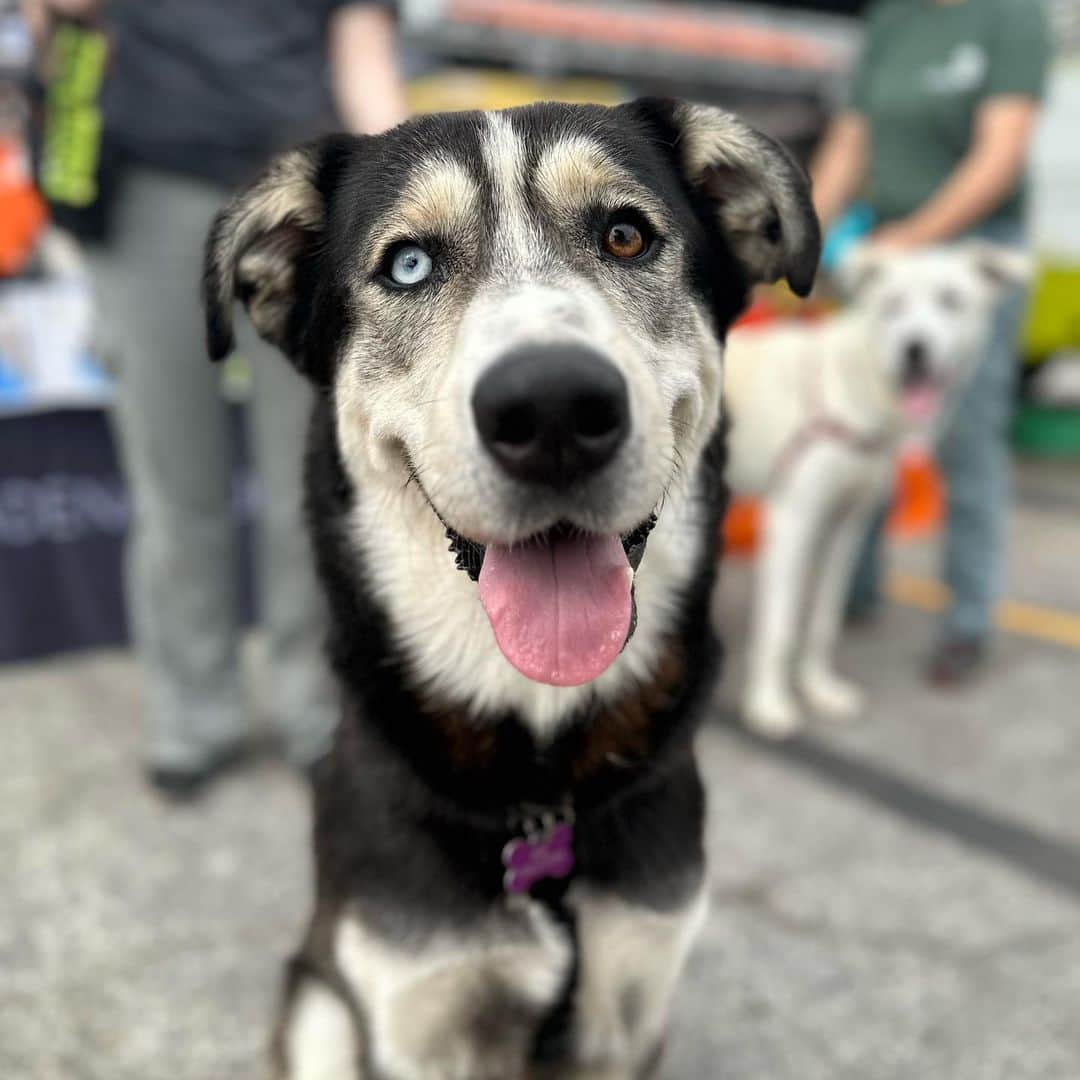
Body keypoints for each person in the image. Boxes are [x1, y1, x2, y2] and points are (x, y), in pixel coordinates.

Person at [27, 0, 408, 796]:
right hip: (144, 185)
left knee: (315, 483)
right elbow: (57, 29)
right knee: (174, 479)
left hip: (300, 193)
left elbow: (362, 45)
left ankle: (318, 711)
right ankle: (193, 715)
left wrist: (397, 192)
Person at [811, 0, 1050, 685]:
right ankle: (853, 592)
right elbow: (851, 142)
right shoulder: (895, 21)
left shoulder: (1010, 19)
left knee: (963, 442)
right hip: (884, 261)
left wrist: (912, 240)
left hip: (967, 261)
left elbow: (1001, 154)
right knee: (860, 427)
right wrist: (801, 240)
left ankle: (968, 622)